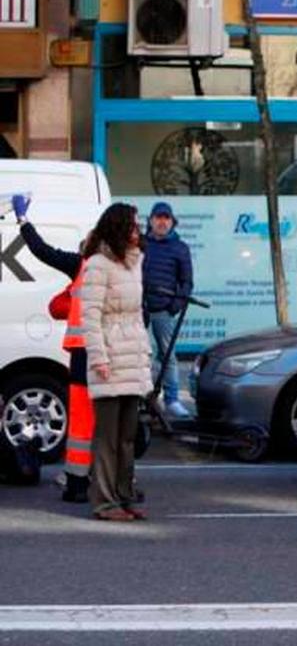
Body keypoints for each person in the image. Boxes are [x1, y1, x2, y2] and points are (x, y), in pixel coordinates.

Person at [10, 193, 94, 503]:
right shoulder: (119, 267)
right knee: (106, 424)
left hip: (86, 355)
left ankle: (79, 482)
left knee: (86, 423)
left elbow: (42, 251)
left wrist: (23, 220)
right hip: (107, 357)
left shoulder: (81, 266)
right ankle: (107, 479)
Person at [81, 203, 153, 522]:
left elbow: (137, 314)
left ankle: (124, 496)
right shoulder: (98, 264)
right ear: (118, 228)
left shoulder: (135, 262)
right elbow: (90, 316)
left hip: (132, 354)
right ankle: (105, 502)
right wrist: (99, 358)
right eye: (133, 227)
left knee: (127, 437)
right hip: (110, 356)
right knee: (108, 438)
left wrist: (144, 357)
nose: (138, 232)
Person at [141, 201, 193, 419]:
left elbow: (187, 282)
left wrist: (175, 306)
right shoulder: (141, 244)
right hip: (139, 308)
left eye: (166, 218)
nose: (162, 222)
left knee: (167, 355)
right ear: (151, 220)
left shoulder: (180, 248)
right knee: (139, 356)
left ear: (172, 222)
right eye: (158, 218)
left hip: (164, 310)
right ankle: (143, 398)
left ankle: (172, 400)